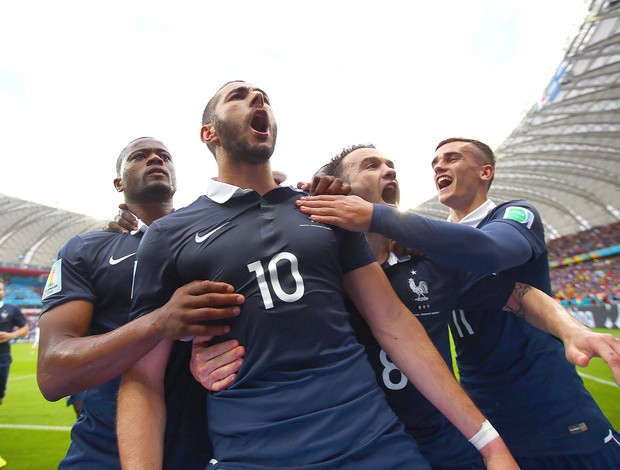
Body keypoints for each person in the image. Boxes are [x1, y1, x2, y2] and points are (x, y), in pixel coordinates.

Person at [117, 81, 518, 469]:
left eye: (264, 97)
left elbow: (394, 322)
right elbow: (144, 378)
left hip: (373, 445)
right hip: (252, 454)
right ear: (209, 132)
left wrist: (489, 443)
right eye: (237, 96)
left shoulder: (325, 209)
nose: (257, 98)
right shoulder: (168, 235)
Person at [297, 137, 620, 468]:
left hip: (547, 403)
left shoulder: (506, 217)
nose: (439, 166)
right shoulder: (410, 250)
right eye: (436, 161)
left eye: (451, 158)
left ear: (485, 171)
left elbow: (502, 270)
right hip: (471, 409)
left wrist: (573, 330)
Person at [38, 137, 244, 469]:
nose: (155, 159)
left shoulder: (214, 237)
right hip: (104, 454)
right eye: (140, 156)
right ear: (119, 182)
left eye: (164, 156)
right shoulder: (85, 250)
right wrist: (157, 323)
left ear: (175, 178)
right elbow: (53, 373)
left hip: (211, 451)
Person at [0, 281, 30, 406]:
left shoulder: (11, 309)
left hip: (2, 357)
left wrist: (11, 335)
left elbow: (25, 329)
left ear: (4, 292)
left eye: (0, 289)